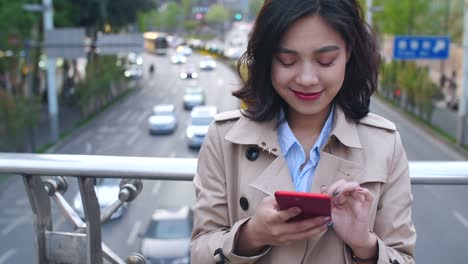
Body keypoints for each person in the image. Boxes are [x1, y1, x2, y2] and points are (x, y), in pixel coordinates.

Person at [191, 0, 416, 263]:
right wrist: (251, 235)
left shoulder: (384, 144)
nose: (307, 78)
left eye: (326, 60)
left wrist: (364, 244)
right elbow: (200, 252)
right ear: (266, 59)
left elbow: (403, 257)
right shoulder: (225, 138)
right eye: (287, 61)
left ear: (349, 54)